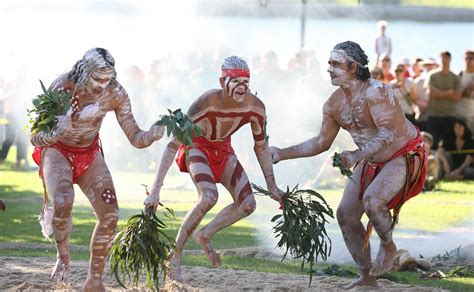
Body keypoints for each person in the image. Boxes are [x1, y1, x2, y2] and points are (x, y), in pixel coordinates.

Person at [270, 41, 427, 289]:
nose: (329, 69)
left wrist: (356, 155)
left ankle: (388, 246)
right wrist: (281, 153)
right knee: (345, 214)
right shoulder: (333, 104)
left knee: (373, 200)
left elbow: (388, 134)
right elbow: (321, 142)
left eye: (335, 64)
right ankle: (367, 276)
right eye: (329, 64)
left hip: (403, 154)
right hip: (370, 159)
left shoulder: (378, 92)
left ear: (353, 67)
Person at [29, 48, 165, 292]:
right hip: (57, 151)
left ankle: (94, 280)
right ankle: (63, 257)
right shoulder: (63, 87)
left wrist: (151, 136)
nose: (102, 86)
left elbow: (135, 136)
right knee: (62, 200)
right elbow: (35, 136)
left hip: (90, 154)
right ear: (86, 72)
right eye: (97, 79)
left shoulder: (116, 93)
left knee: (111, 214)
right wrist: (54, 133)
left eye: (107, 79)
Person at [145, 55, 283, 286]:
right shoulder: (205, 104)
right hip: (197, 146)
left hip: (223, 150)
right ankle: (175, 255)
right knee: (209, 197)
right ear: (222, 82)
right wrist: (155, 191)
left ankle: (205, 234)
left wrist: (272, 186)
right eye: (235, 81)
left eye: (245, 82)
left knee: (248, 204)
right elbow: (172, 146)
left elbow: (261, 146)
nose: (241, 87)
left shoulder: (256, 108)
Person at [424, 51, 462, 150]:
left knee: (449, 147)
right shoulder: (432, 75)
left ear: (450, 59)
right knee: (432, 147)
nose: (444, 61)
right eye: (442, 58)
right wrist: (448, 92)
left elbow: (457, 97)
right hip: (434, 116)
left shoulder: (455, 78)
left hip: (450, 116)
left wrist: (439, 92)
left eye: (446, 58)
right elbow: (430, 93)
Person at [456, 50, 474, 133]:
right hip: (458, 116)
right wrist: (467, 91)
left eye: (471, 58)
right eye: (466, 58)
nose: (468, 61)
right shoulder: (458, 75)